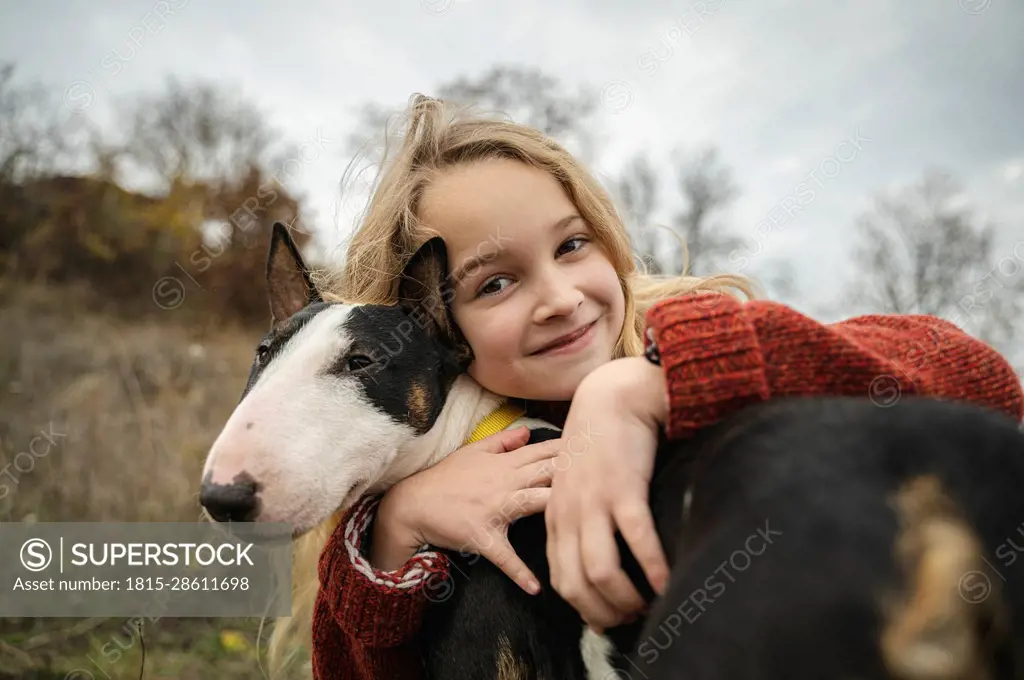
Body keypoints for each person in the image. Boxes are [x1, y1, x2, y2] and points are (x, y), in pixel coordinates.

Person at [266, 94, 1024, 680]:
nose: (561, 296)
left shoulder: (697, 344)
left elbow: (978, 378)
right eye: (495, 282)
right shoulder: (413, 476)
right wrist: (400, 530)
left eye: (572, 244)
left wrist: (639, 388)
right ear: (428, 326)